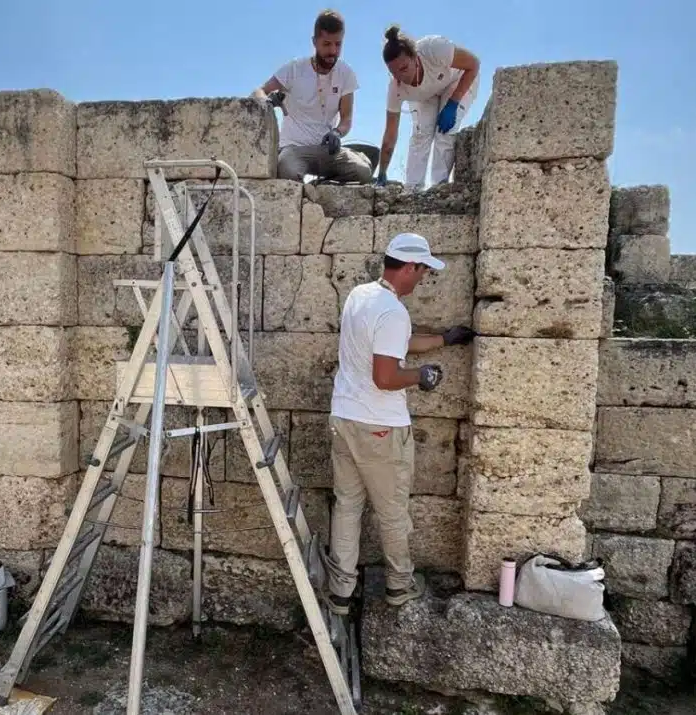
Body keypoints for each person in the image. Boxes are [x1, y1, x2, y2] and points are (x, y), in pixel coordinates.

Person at [322, 232, 476, 615]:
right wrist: (421, 376)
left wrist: (444, 339)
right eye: (423, 270)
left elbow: (392, 343)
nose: (423, 277)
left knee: (347, 506)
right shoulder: (393, 312)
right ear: (409, 267)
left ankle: (340, 591)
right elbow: (386, 376)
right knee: (392, 512)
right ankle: (400, 585)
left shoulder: (361, 296)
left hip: (345, 418)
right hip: (379, 427)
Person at [252, 10, 373, 184]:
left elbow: (346, 120)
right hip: (294, 149)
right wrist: (267, 102)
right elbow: (259, 91)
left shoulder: (346, 73)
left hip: (327, 149)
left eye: (338, 44)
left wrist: (337, 132)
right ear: (314, 42)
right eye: (327, 44)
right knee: (288, 171)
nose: (333, 51)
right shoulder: (294, 69)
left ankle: (321, 184)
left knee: (362, 172)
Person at [375, 26, 480, 190]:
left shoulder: (434, 49)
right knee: (420, 134)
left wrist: (453, 103)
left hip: (456, 81)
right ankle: (413, 190)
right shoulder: (396, 88)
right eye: (394, 73)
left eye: (403, 69)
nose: (401, 77)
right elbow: (390, 133)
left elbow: (473, 64)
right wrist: (382, 171)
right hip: (426, 95)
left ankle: (439, 188)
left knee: (444, 132)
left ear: (415, 57)